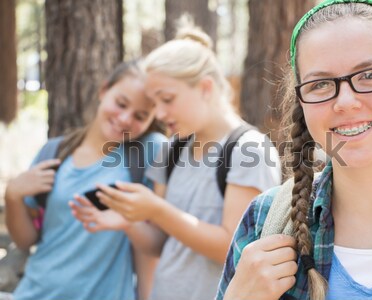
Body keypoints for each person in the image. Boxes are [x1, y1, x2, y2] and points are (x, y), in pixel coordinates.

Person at [217, 1, 372, 299]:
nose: (345, 102)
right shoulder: (265, 221)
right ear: (301, 99)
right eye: (321, 84)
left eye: (370, 75)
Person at [72, 19, 282, 300]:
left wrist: (156, 210)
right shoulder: (172, 150)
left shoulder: (249, 150)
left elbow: (234, 249)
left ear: (205, 88)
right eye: (154, 102)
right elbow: (159, 244)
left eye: (166, 99)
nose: (157, 113)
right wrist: (128, 220)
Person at [4, 60, 167, 300]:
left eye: (140, 116)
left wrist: (127, 222)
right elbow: (26, 240)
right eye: (121, 103)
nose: (124, 119)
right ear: (104, 90)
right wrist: (12, 197)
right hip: (35, 293)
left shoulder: (149, 151)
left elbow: (155, 246)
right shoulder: (54, 152)